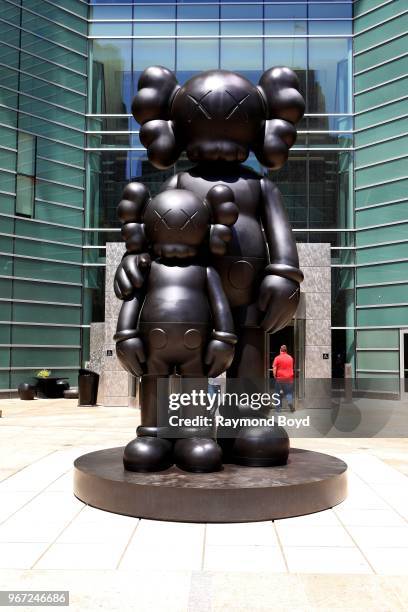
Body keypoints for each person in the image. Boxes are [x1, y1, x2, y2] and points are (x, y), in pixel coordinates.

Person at [273, 345, 295, 412]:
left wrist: (275, 376)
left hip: (280, 379)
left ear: (280, 350)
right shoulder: (290, 358)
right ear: (286, 350)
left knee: (277, 393)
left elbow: (274, 368)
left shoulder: (277, 358)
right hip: (289, 379)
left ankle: (278, 409)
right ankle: (290, 402)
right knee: (289, 392)